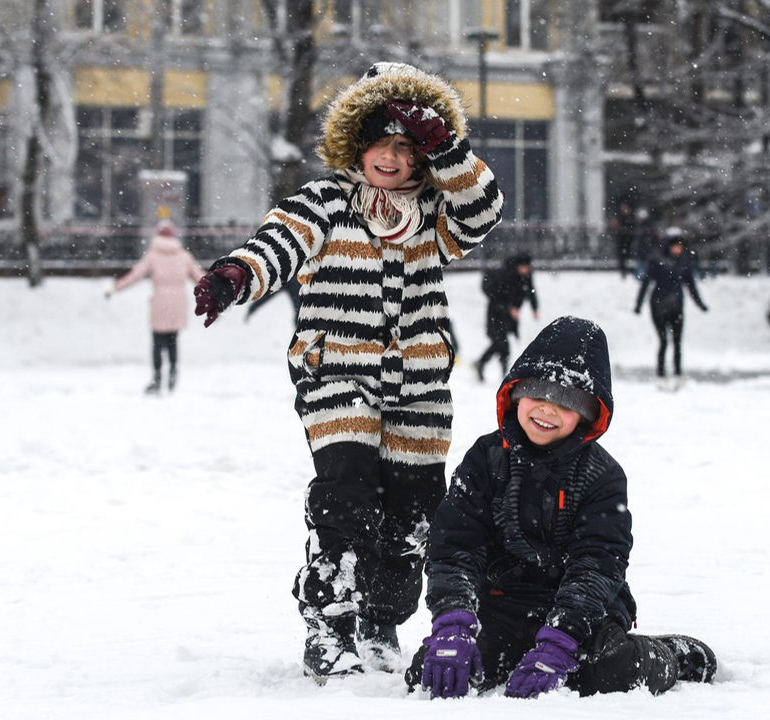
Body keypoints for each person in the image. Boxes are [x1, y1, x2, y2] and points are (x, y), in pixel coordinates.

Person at [191, 62, 504, 683]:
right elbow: (279, 242)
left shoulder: (436, 216)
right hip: (335, 373)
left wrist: (448, 147)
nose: (390, 157)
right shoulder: (327, 201)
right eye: (379, 143)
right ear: (356, 146)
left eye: (406, 147)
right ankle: (329, 625)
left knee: (414, 512)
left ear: (422, 159)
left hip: (418, 385)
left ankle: (381, 617)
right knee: (346, 498)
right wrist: (235, 276)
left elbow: (484, 212)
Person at [405, 316, 717, 699]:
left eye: (567, 401)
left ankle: (665, 653)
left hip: (581, 615)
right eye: (538, 392)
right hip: (501, 606)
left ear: (588, 413)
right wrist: (453, 623)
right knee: (433, 671)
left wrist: (560, 640)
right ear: (517, 392)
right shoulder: (486, 459)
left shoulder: (602, 476)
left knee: (609, 673)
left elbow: (598, 563)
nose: (548, 410)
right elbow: (455, 546)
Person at [107, 219, 205, 394]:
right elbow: (200, 278)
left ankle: (157, 378)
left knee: (157, 343)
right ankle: (173, 373)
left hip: (159, 303)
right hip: (177, 303)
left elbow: (135, 275)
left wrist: (116, 288)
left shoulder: (152, 256)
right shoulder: (184, 256)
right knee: (173, 341)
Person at [634, 228, 708, 382]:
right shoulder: (656, 261)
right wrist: (639, 304)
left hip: (676, 307)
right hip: (658, 307)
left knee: (677, 341)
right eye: (674, 245)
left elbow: (691, 285)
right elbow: (646, 283)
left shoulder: (684, 262)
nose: (677, 248)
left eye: (680, 245)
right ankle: (661, 373)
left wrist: (700, 304)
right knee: (663, 340)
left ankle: (678, 373)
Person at [474, 254, 538, 382]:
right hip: (496, 313)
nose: (527, 271)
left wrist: (534, 308)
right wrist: (509, 307)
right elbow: (496, 295)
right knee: (500, 342)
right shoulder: (505, 274)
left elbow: (530, 291)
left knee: (503, 343)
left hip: (508, 315)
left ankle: (498, 371)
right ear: (519, 266)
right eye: (525, 268)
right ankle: (483, 364)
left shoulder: (525, 276)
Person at [609, 202, 636, 278]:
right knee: (622, 257)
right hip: (622, 241)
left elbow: (630, 227)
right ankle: (623, 272)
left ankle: (627, 271)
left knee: (626, 256)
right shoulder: (621, 217)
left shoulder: (630, 218)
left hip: (628, 241)